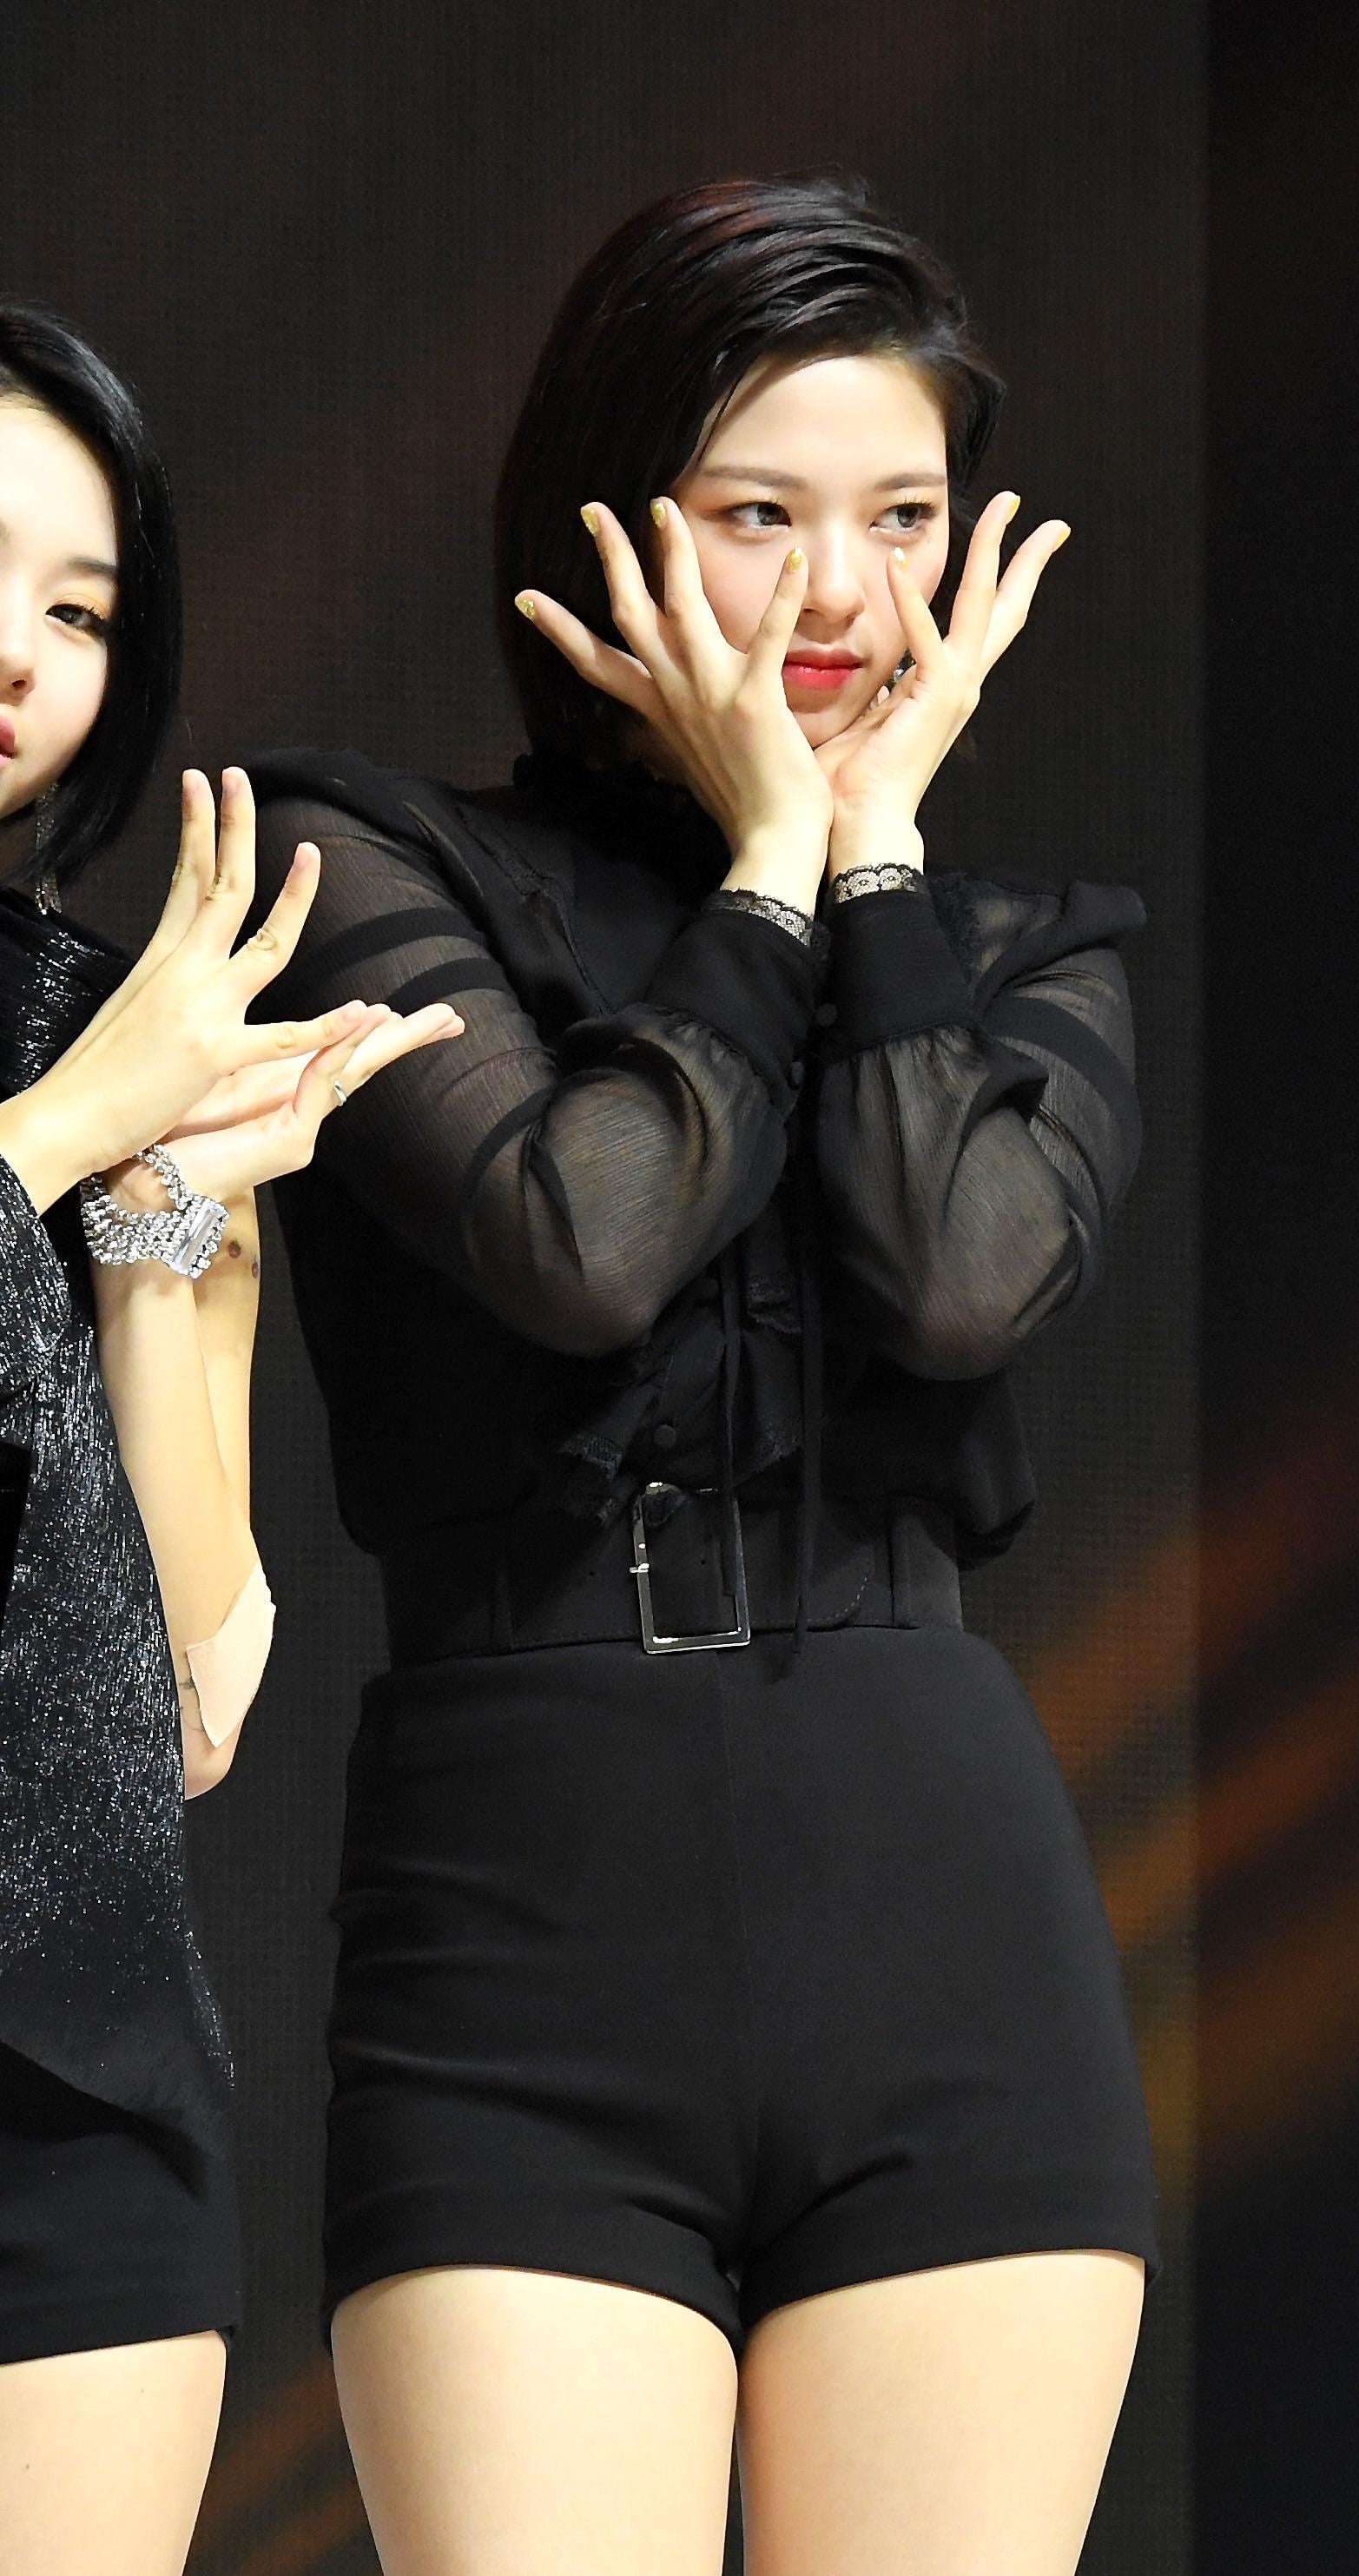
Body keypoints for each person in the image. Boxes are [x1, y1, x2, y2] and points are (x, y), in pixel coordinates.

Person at [250, 174, 1158, 2576]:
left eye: (905, 520)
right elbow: (584, 1240)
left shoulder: (1026, 958)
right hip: (521, 1935)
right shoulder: (375, 866)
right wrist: (765, 869)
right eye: (761, 514)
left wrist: (866, 877)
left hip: (942, 1924)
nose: (842, 594)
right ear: (608, 515)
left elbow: (951, 1289)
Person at [0, 303, 462, 2576]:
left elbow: (191, 1696)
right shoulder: (98, 1067)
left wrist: (159, 1222)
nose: (20, 654)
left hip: (70, 2088)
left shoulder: (120, 1033)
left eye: (80, 611)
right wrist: (60, 1138)